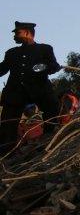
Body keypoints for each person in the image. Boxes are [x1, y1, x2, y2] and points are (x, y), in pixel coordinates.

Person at [0, 21, 61, 154]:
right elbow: (2, 69)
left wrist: (45, 67)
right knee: (7, 125)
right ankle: (6, 154)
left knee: (52, 107)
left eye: (17, 32)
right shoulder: (11, 53)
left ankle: (49, 139)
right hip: (15, 93)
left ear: (27, 33)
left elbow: (53, 66)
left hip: (39, 90)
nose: (14, 36)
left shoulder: (45, 49)